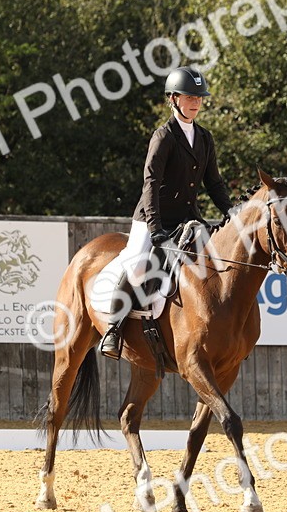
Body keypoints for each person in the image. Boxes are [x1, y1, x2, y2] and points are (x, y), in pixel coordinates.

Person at [99, 65, 234, 359]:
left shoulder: (204, 138)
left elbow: (214, 182)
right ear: (173, 99)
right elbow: (151, 182)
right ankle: (114, 327)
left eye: (199, 97)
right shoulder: (164, 136)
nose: (196, 102)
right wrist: (155, 226)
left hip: (187, 219)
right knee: (136, 265)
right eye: (189, 97)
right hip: (152, 216)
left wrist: (231, 211)